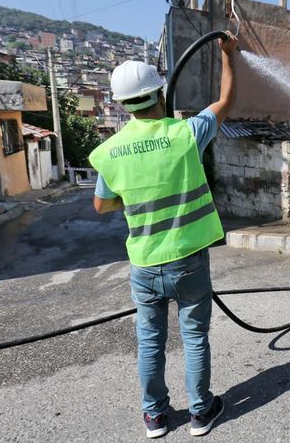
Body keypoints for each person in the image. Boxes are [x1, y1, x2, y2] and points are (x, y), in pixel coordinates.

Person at [89, 34, 238, 438]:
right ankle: (201, 413)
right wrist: (229, 56)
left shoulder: (110, 151)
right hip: (188, 260)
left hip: (144, 264)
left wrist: (135, 198)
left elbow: (102, 206)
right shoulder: (186, 133)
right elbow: (225, 102)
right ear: (160, 92)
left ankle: (155, 417)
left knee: (151, 342)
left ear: (122, 104)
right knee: (193, 337)